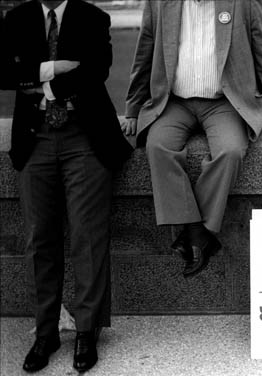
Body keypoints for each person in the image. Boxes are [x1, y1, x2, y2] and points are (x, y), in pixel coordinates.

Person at [1, 0, 132, 372]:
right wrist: (55, 67)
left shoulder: (93, 17)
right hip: (34, 137)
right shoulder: (17, 18)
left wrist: (38, 80)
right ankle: (46, 333)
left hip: (85, 139)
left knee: (87, 238)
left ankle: (86, 332)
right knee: (39, 237)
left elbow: (95, 72)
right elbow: (3, 73)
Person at [123, 0, 262, 277]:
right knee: (158, 147)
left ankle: (193, 233)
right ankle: (199, 233)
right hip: (174, 102)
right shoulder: (159, 4)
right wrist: (132, 109)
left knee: (231, 151)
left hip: (224, 102)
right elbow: (144, 55)